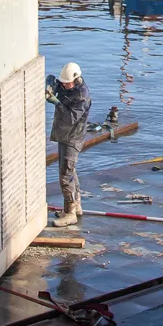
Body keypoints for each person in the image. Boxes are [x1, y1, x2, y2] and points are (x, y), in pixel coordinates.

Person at [48, 61, 91, 226]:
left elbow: (70, 118)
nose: (64, 86)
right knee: (70, 170)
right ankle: (77, 205)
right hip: (64, 136)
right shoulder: (68, 86)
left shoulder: (82, 96)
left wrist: (57, 103)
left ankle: (70, 213)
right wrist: (51, 85)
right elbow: (53, 80)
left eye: (67, 83)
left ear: (76, 79)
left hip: (72, 138)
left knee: (65, 175)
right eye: (63, 83)